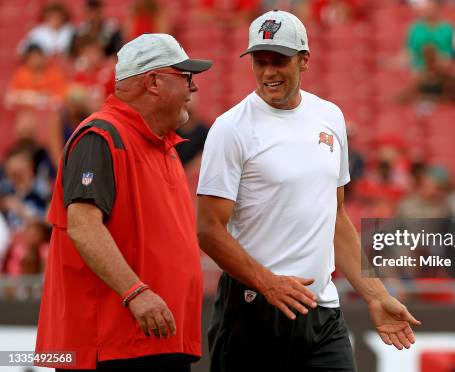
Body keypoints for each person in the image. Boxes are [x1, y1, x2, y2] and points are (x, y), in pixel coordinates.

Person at [197, 10, 420, 372]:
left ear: (304, 60)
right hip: (253, 311)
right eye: (260, 61)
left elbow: (337, 218)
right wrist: (267, 283)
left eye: (279, 61)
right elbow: (208, 230)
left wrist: (377, 296)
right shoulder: (230, 129)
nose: (269, 72)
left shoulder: (330, 116)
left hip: (322, 312)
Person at [35, 33, 212, 371]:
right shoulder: (101, 136)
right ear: (154, 82)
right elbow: (84, 227)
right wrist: (135, 292)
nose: (194, 88)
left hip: (155, 341)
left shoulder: (161, 145)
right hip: (113, 346)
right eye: (186, 77)